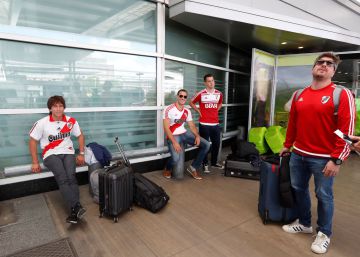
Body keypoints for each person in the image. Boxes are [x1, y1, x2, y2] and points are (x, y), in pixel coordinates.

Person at [279, 52, 355, 254]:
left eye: (329, 64)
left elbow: (345, 131)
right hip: (298, 154)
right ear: (313, 68)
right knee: (298, 189)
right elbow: (293, 124)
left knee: (324, 195)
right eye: (320, 62)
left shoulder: (341, 94)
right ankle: (304, 223)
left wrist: (337, 159)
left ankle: (324, 233)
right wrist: (287, 145)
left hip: (324, 158)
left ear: (333, 71)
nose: (324, 65)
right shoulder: (299, 94)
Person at [29, 95, 86, 224]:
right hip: (50, 154)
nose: (58, 109)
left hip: (67, 152)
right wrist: (35, 162)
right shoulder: (42, 122)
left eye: (61, 106)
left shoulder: (71, 121)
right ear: (50, 108)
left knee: (71, 177)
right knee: (63, 178)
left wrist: (81, 153)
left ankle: (74, 212)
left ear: (64, 107)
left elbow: (81, 136)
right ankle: (77, 206)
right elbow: (32, 142)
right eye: (55, 106)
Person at [163, 89, 210, 180]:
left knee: (206, 145)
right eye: (181, 96)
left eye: (185, 97)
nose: (183, 98)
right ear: (177, 96)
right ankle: (167, 169)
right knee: (176, 159)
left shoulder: (187, 111)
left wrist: (197, 136)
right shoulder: (169, 109)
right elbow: (166, 128)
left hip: (184, 133)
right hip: (173, 135)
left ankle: (193, 167)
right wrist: (174, 142)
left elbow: (192, 126)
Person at [190, 74, 223, 173]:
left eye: (212, 80)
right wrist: (198, 111)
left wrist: (216, 110)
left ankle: (214, 163)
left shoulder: (219, 94)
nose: (211, 83)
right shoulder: (201, 93)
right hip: (204, 124)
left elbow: (220, 103)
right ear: (205, 83)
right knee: (205, 145)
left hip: (215, 124)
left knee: (216, 144)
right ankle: (205, 164)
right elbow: (191, 102)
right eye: (209, 81)